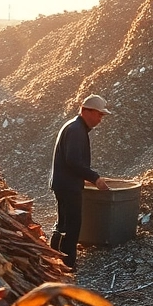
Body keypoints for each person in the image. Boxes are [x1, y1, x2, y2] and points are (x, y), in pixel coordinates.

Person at [49, 94, 112, 268]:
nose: (100, 119)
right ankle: (67, 264)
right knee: (72, 225)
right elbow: (73, 161)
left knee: (63, 223)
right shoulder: (76, 130)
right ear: (86, 111)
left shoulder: (74, 126)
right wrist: (95, 178)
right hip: (68, 185)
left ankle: (53, 257)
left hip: (62, 183)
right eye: (99, 114)